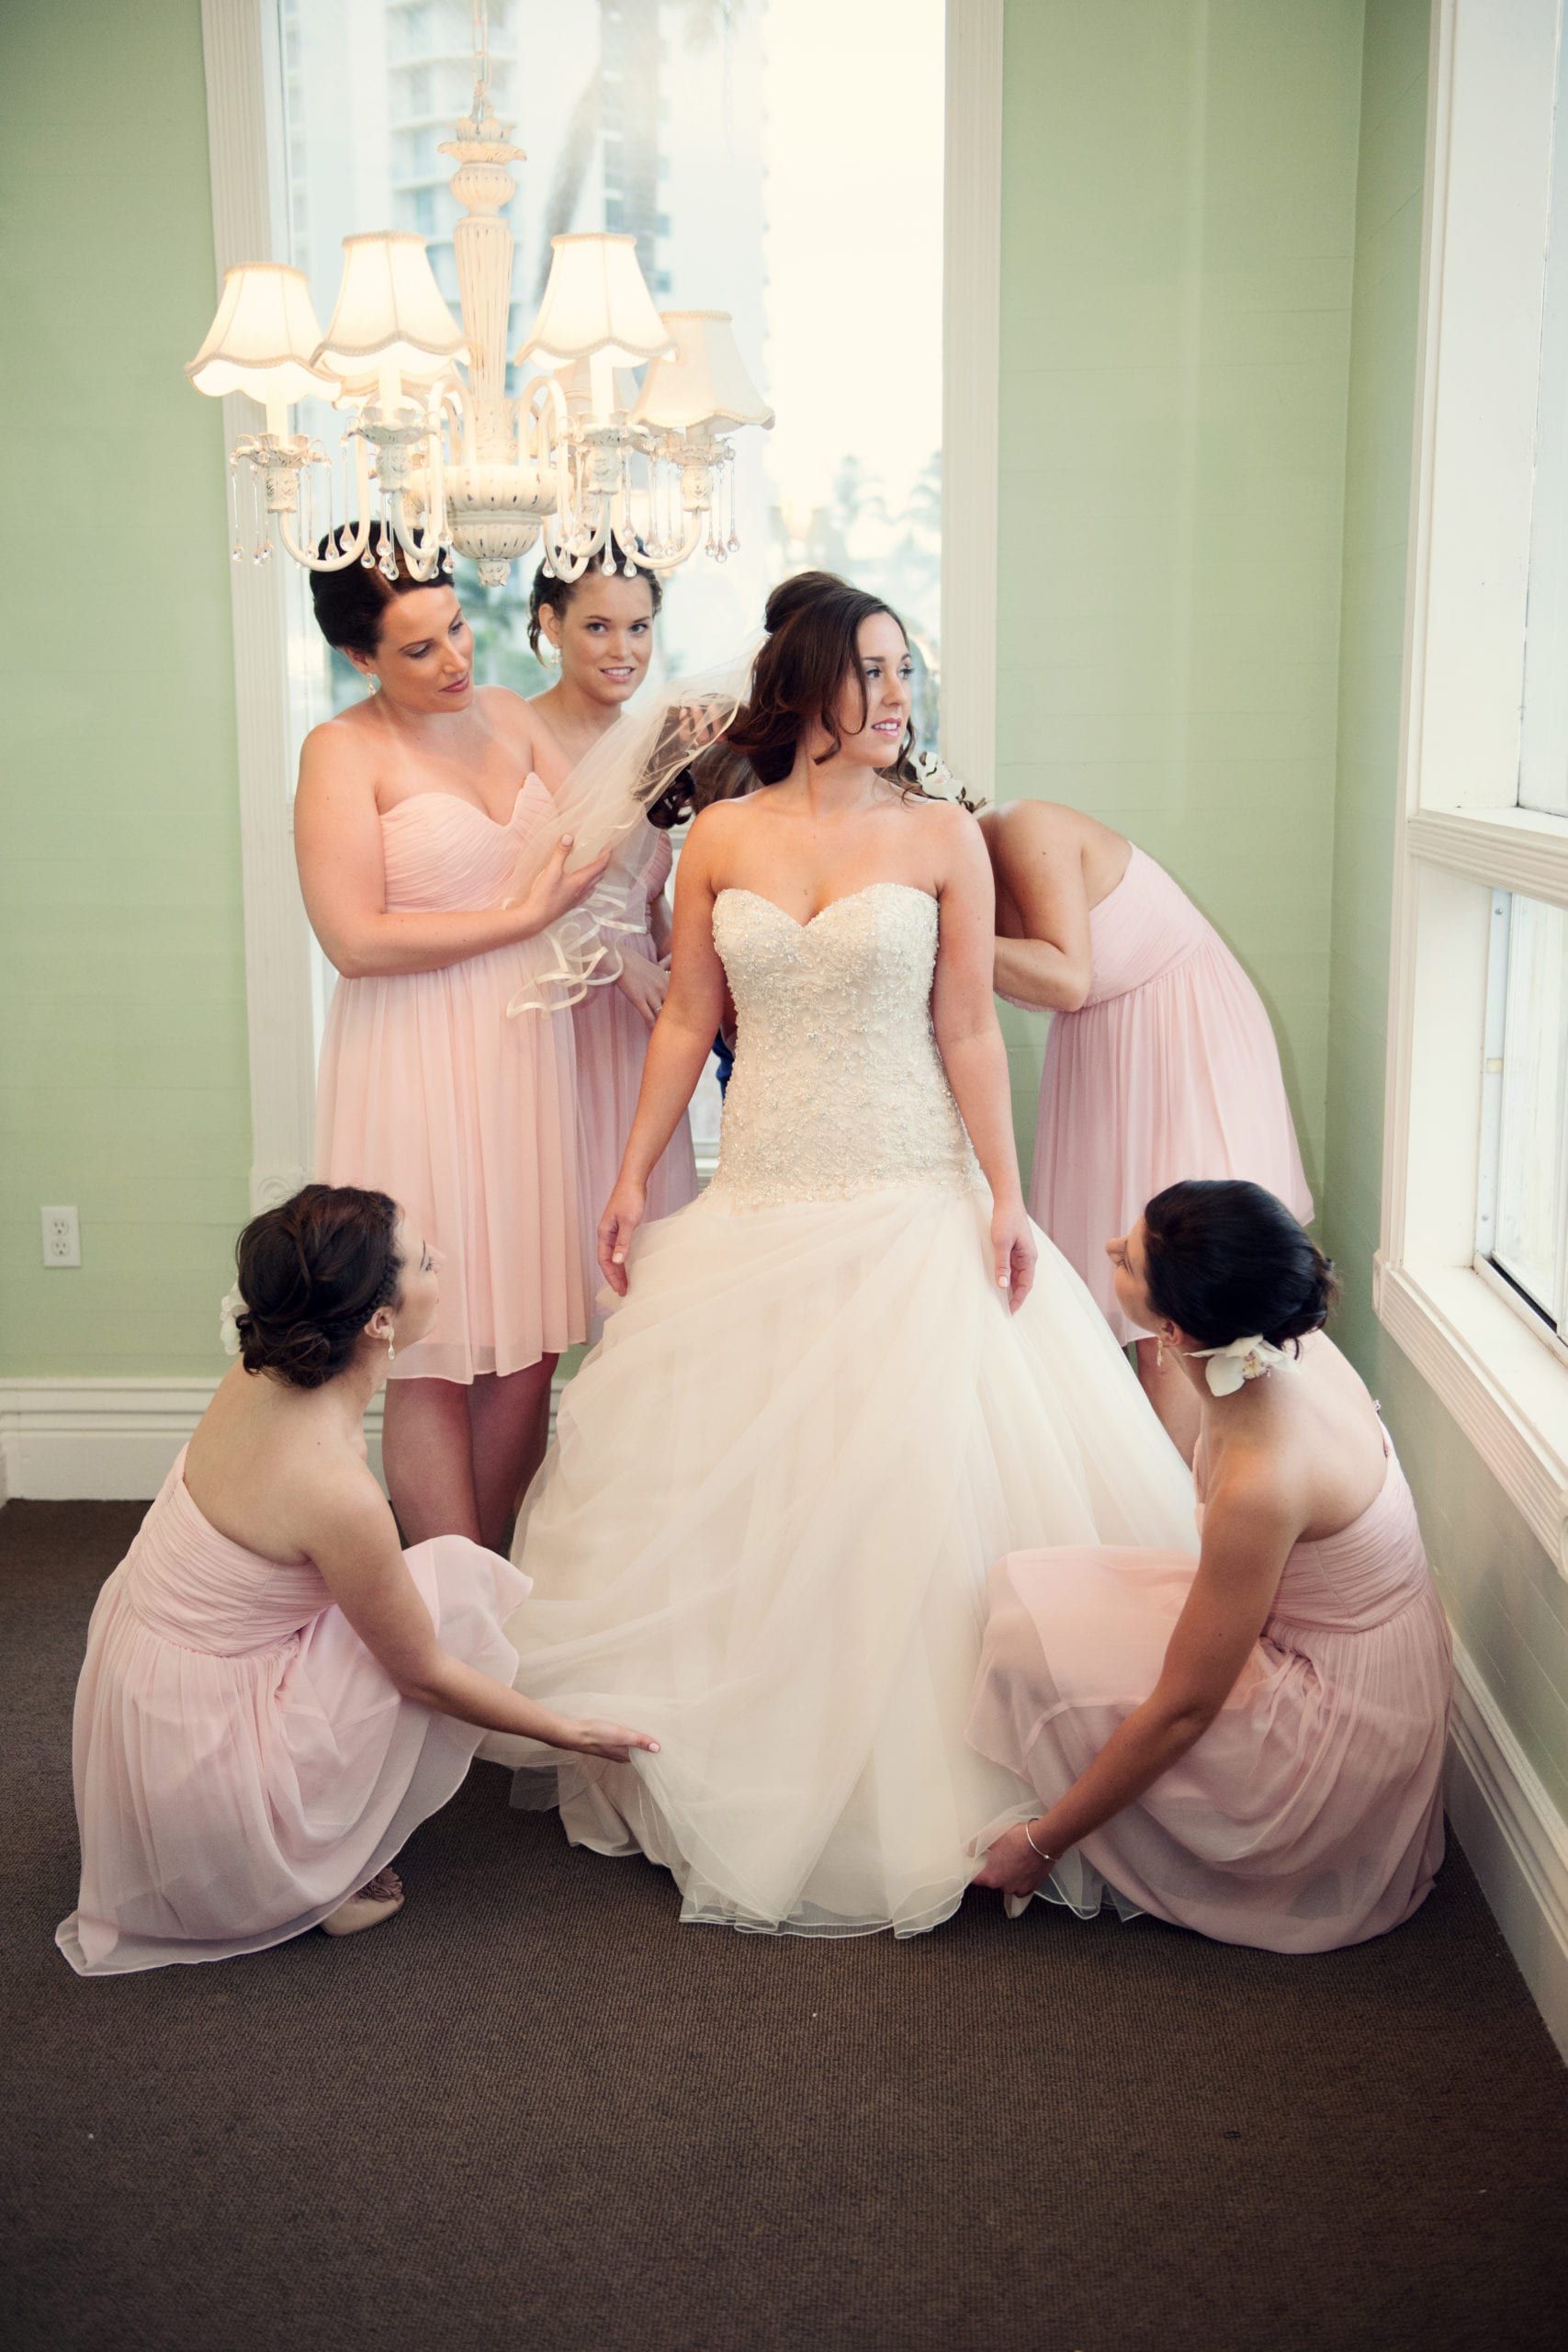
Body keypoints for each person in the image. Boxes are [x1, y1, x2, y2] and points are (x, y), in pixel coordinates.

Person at [483, 571, 1196, 1939]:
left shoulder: (941, 835)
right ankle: (746, 1747)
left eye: (905, 670)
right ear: (809, 686)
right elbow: (686, 1017)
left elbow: (969, 1028)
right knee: (752, 1473)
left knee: (915, 1475)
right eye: (873, 670)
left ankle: (937, 1782)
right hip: (761, 1191)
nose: (897, 696)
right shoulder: (721, 836)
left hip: (911, 1184)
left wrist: (1005, 1196)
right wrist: (630, 1173)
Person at [55, 1185, 655, 1976]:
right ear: (378, 1321)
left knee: (390, 1589)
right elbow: (424, 1674)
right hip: (210, 1768)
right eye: (426, 1262)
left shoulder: (259, 1368)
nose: (443, 1265)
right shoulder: (338, 1493)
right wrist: (566, 1732)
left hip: (146, 1702)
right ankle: (307, 1869)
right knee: (454, 1588)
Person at [968, 1180, 1451, 1953]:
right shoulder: (1279, 1335)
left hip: (1336, 1725)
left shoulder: (1264, 1475)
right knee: (1020, 1588)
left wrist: (1041, 1843)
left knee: (1032, 1652)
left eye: (1125, 1261)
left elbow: (1185, 1709)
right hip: (1342, 1643)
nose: (1108, 1249)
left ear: (1173, 1328)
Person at [296, 528, 611, 1551]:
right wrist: (520, 920)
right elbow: (352, 940)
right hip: (411, 1055)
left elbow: (605, 835)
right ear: (361, 658)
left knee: (527, 1338)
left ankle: (489, 1581)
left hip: (526, 1050)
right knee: (432, 1347)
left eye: (458, 628)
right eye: (419, 649)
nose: (455, 660)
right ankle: (440, 1595)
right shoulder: (342, 751)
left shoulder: (512, 716)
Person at [983, 799, 1312, 1462]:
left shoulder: (1022, 829)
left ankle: (1210, 1505)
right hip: (1105, 1062)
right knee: (1123, 1308)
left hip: (1182, 1039)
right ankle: (1171, 1492)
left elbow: (1067, 978)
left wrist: (933, 926)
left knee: (1179, 1303)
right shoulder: (951, 885)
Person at [525, 560, 698, 1260]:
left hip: (636, 1023)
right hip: (547, 1007)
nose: (622, 650)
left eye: (639, 628)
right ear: (551, 624)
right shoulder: (514, 733)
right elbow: (502, 891)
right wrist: (613, 962)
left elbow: (646, 894)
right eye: (597, 627)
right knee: (551, 1223)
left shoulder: (659, 746)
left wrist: (680, 961)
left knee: (640, 1238)